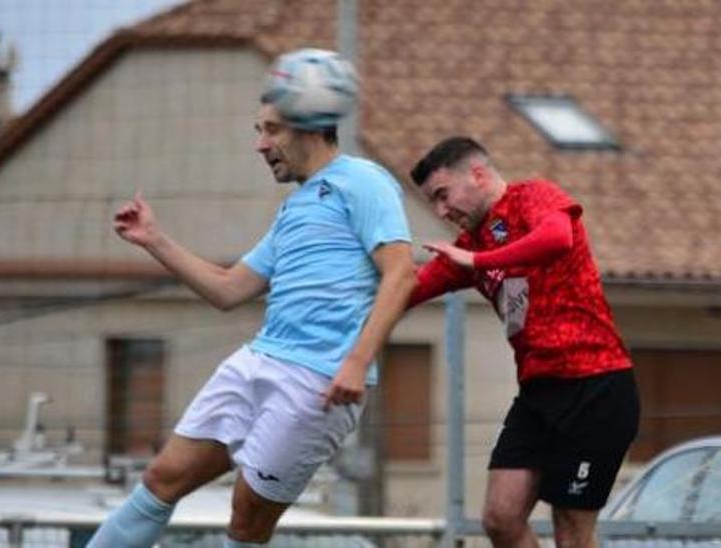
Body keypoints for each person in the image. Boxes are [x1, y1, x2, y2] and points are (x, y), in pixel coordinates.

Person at [89, 54, 417, 547]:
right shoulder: (294, 209)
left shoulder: (364, 182)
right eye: (259, 130)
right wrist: (154, 239)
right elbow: (228, 288)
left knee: (246, 521)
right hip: (258, 362)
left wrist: (355, 362)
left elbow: (401, 274)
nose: (260, 144)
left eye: (271, 130)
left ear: (309, 125)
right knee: (162, 478)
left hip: (318, 380)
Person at [407, 136, 640, 548]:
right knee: (500, 517)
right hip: (538, 394)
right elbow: (408, 289)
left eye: (443, 196)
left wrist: (479, 262)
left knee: (571, 529)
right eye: (434, 204)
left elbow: (557, 238)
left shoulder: (532, 196)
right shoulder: (469, 246)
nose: (442, 212)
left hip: (597, 386)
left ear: (477, 175)